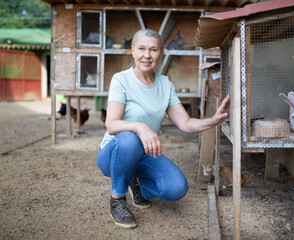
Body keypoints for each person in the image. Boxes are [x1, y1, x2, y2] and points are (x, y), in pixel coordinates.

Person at [96, 29, 230, 229]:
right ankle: (118, 198)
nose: (147, 55)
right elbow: (111, 124)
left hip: (143, 155)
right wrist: (140, 127)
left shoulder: (165, 84)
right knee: (129, 138)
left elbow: (185, 123)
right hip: (113, 154)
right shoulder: (121, 79)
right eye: (141, 48)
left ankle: (135, 181)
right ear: (133, 51)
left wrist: (212, 121)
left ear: (161, 53)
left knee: (177, 188)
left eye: (153, 50)